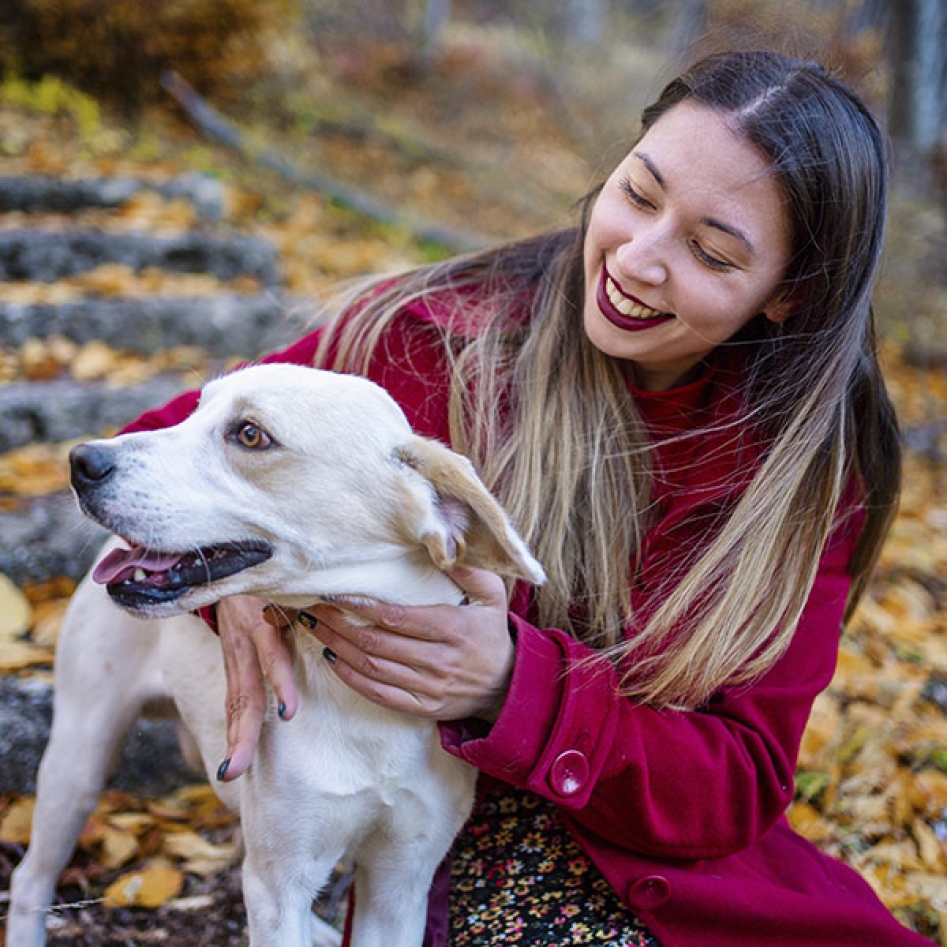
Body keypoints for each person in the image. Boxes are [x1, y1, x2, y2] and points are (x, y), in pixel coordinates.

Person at [123, 49, 929, 947]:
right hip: (438, 818)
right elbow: (158, 456)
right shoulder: (432, 339)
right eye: (638, 193)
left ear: (789, 294)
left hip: (659, 857)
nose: (639, 258)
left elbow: (739, 778)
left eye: (708, 250)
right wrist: (232, 578)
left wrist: (516, 686)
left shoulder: (803, 481)